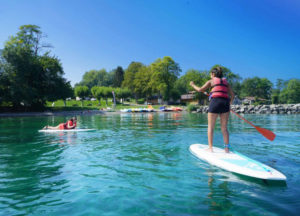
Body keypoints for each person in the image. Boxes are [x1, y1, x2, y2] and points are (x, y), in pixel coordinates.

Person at [190, 66, 234, 153]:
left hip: (215, 103)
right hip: (225, 104)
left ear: (213, 74)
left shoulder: (211, 81)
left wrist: (192, 84)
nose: (210, 75)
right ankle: (226, 149)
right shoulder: (226, 83)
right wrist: (229, 104)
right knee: (224, 128)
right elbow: (232, 95)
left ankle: (210, 148)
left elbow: (199, 90)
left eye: (211, 74)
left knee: (211, 127)